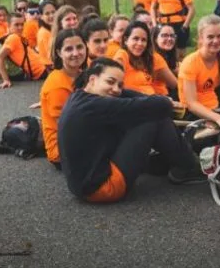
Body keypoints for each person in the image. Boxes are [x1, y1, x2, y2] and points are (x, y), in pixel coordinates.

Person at [56, 58, 206, 203]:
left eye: (120, 84)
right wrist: (166, 102)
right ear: (92, 80)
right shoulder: (94, 106)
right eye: (110, 82)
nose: (116, 89)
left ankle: (172, 160)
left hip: (83, 185)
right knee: (154, 118)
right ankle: (187, 167)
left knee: (141, 113)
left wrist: (146, 98)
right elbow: (159, 105)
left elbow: (127, 95)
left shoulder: (79, 97)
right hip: (102, 188)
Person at [40, 29, 87, 169]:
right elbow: (66, 128)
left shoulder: (82, 74)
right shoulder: (57, 84)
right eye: (69, 49)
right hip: (61, 151)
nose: (76, 53)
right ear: (59, 53)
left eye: (79, 47)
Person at [112, 21, 177, 98]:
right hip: (138, 101)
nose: (140, 43)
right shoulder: (122, 55)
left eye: (143, 40)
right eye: (135, 39)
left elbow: (174, 83)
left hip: (155, 99)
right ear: (126, 40)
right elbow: (115, 87)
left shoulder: (147, 58)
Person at [0, 13, 49, 89]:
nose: (20, 27)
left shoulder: (17, 36)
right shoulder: (13, 38)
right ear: (9, 25)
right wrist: (5, 80)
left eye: (22, 24)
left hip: (43, 67)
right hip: (41, 71)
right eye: (16, 25)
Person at [152, 24, 180, 99]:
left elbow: (177, 69)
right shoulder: (155, 57)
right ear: (155, 39)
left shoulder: (168, 56)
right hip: (157, 97)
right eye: (164, 35)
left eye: (172, 36)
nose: (169, 39)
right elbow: (175, 84)